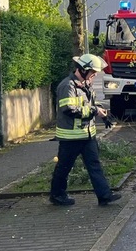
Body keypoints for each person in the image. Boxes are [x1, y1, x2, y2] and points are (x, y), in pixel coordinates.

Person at [50, 54, 121, 207]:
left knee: (94, 164)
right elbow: (69, 109)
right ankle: (57, 195)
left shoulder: (85, 85)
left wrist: (101, 113)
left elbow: (90, 105)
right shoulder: (67, 86)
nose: (95, 75)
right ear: (83, 70)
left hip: (87, 135)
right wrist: (94, 111)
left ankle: (104, 196)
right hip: (71, 137)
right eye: (93, 72)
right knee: (64, 167)